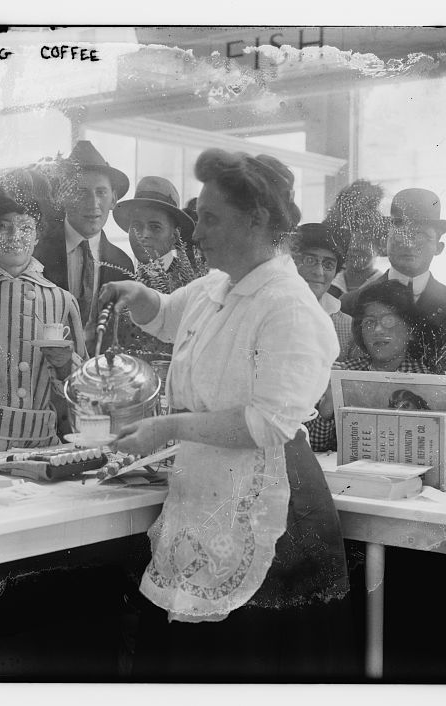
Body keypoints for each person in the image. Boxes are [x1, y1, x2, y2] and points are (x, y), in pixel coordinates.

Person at [99, 149, 350, 679]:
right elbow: (169, 316)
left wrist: (168, 428)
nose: (197, 232)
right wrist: (139, 294)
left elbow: (268, 424)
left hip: (273, 509)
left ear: (256, 221)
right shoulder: (219, 284)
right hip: (207, 491)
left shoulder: (289, 306)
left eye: (210, 217)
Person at [0, 176, 86, 451]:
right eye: (4, 227)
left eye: (26, 228)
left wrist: (64, 364)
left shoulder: (62, 300)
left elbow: (83, 387)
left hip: (45, 446)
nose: (15, 237)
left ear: (37, 236)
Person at [340, 188, 446, 371]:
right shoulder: (350, 303)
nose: (409, 243)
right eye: (401, 233)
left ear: (438, 247)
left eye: (420, 235)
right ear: (386, 240)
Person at [306, 280, 434, 452]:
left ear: (410, 331)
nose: (378, 330)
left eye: (388, 320)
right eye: (369, 322)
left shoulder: (427, 379)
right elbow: (313, 446)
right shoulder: (346, 373)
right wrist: (328, 402)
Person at [33, 141, 135, 354]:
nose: (93, 203)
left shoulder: (122, 264)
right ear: (63, 196)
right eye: (81, 192)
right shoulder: (36, 252)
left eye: (101, 192)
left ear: (114, 199)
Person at [110, 176, 204, 362]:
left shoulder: (189, 286)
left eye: (155, 227)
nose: (144, 235)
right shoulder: (119, 277)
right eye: (136, 226)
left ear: (174, 235)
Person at [294, 222, 353, 361]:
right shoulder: (266, 309)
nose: (319, 272)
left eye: (328, 265)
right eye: (310, 260)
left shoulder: (345, 325)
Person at [322, 179, 386, 299]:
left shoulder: (386, 288)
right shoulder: (324, 284)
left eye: (365, 237)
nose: (354, 245)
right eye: (347, 236)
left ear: (380, 243)